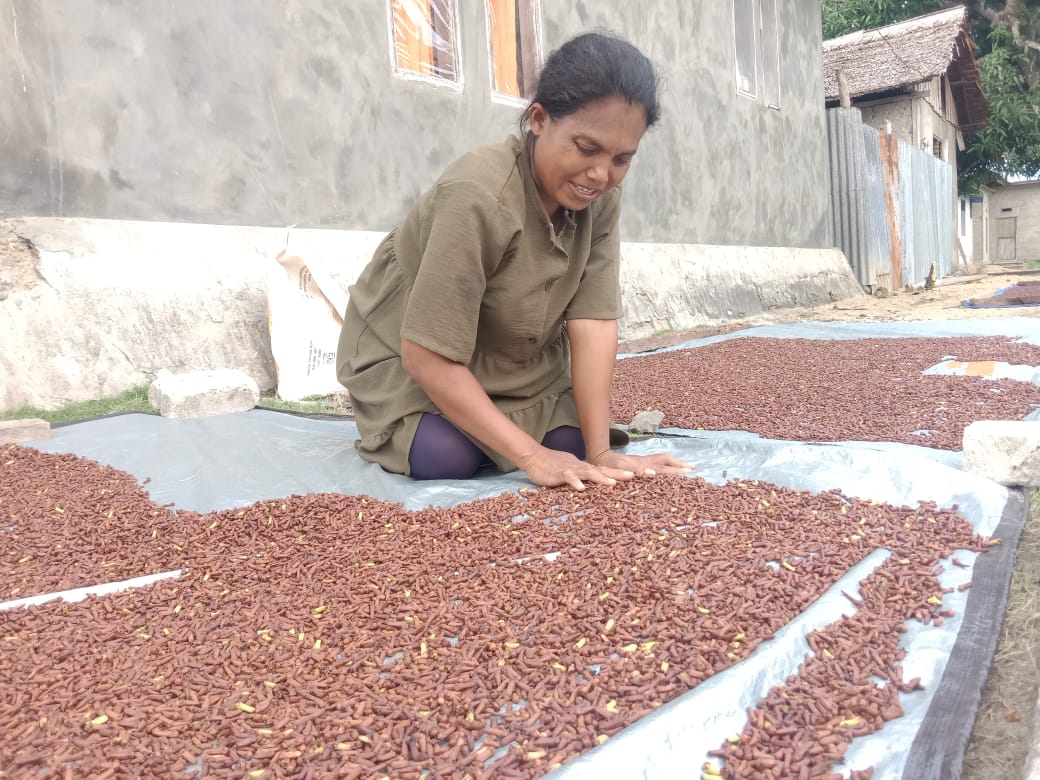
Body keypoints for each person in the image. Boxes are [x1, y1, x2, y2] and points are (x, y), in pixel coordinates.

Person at [336, 31, 691, 490]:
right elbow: (425, 354)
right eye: (586, 149)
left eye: (622, 158)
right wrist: (532, 457)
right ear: (539, 119)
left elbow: (593, 322)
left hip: (520, 363)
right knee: (445, 456)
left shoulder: (600, 199)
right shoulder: (478, 196)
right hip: (412, 356)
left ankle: (523, 433)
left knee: (574, 445)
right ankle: (482, 433)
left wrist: (601, 452)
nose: (600, 174)